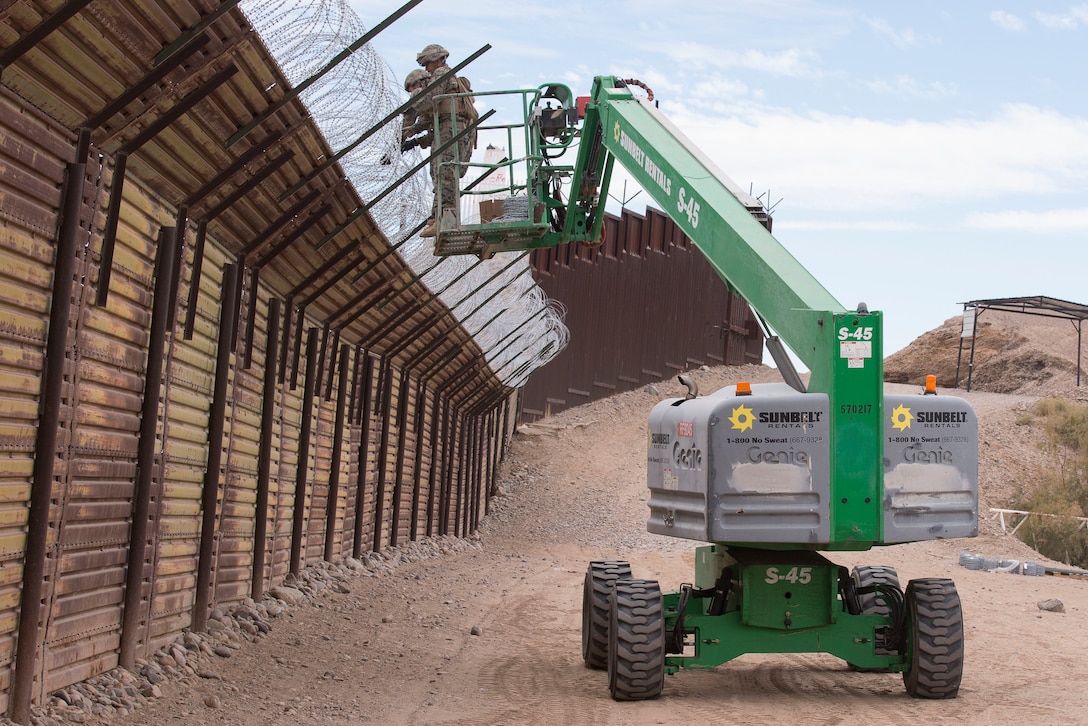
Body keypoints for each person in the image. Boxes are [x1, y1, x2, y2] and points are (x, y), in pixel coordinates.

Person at [403, 44, 478, 237]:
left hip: (450, 126)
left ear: (436, 60)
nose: (427, 69)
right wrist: (412, 131)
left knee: (445, 172)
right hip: (445, 127)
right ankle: (437, 217)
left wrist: (412, 107)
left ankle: (447, 219)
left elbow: (429, 100)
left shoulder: (441, 73)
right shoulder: (442, 75)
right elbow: (429, 116)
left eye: (428, 64)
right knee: (439, 172)